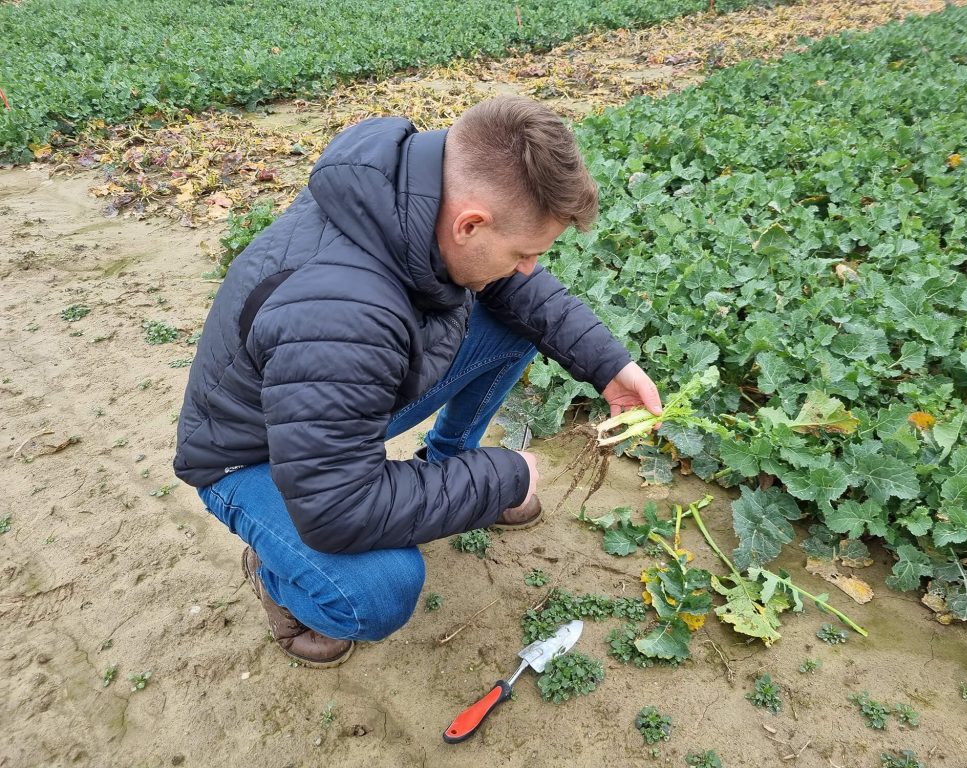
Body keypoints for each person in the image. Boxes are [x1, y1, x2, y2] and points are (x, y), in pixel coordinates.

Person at [173, 96, 662, 668]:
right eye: (523, 253)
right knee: (379, 591)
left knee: (519, 320)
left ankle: (447, 459)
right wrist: (502, 477)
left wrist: (611, 365)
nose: (529, 267)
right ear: (470, 223)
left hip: (333, 399)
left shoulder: (411, 193)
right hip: (250, 454)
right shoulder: (342, 312)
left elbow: (521, 293)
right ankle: (278, 573)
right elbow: (338, 507)